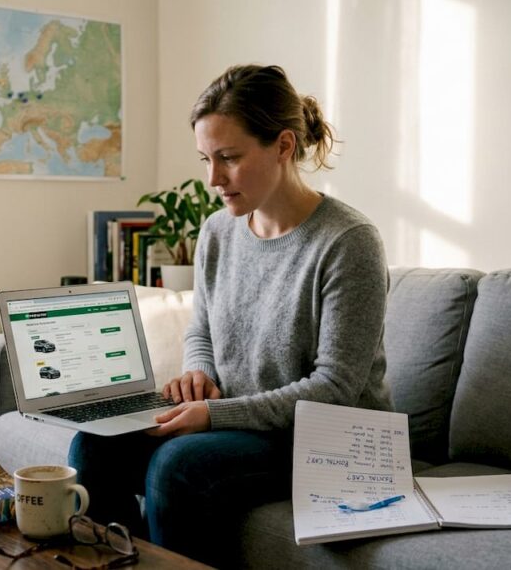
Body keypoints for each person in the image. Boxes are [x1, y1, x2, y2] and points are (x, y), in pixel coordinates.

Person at [68, 64, 391, 566]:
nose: (213, 179)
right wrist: (198, 373)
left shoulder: (348, 242)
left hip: (332, 440)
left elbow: (335, 388)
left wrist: (213, 414)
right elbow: (202, 328)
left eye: (229, 158)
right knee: (94, 444)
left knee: (178, 466)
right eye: (206, 159)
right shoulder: (218, 231)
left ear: (283, 146)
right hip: (243, 424)